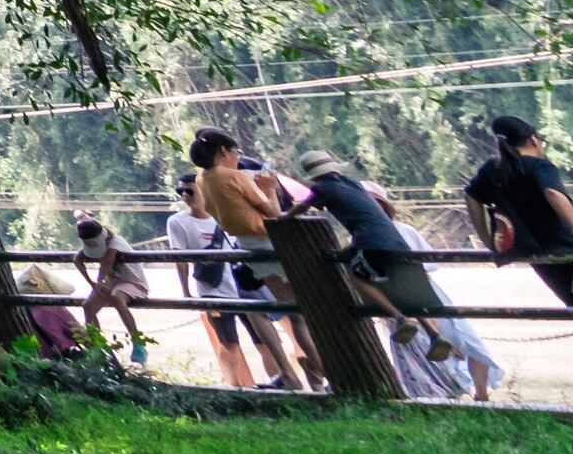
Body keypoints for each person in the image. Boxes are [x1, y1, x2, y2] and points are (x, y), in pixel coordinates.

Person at [300, 153, 506, 403]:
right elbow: (427, 267)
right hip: (419, 290)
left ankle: (412, 331)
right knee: (466, 342)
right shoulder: (390, 224)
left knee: (359, 277)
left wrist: (285, 218)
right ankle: (475, 391)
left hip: (394, 294)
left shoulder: (356, 225)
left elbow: (306, 206)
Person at [164, 155, 304, 391]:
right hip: (215, 288)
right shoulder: (178, 222)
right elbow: (180, 259)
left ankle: (282, 378)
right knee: (229, 341)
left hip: (244, 282)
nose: (185, 197)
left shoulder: (222, 213)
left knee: (265, 336)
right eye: (181, 193)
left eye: (190, 191)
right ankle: (235, 386)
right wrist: (186, 290)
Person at [468, 115, 573, 311]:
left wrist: (488, 239)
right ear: (534, 139)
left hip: (531, 253)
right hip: (563, 247)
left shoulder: (492, 169)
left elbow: (471, 197)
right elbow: (552, 193)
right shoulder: (540, 166)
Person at [72, 217, 162, 367]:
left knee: (116, 297)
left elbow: (106, 264)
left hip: (133, 281)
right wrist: (92, 283)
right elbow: (77, 259)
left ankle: (138, 342)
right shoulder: (91, 244)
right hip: (111, 282)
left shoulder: (116, 242)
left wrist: (99, 282)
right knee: (88, 306)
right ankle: (97, 346)